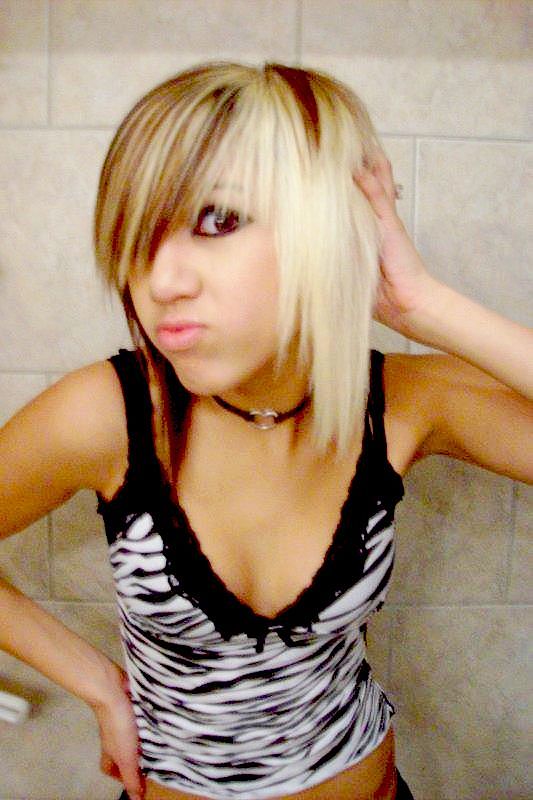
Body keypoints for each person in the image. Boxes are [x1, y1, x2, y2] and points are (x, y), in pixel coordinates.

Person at [0, 61, 531, 800]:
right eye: (136, 235)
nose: (160, 282)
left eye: (218, 220)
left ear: (325, 225)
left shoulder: (402, 404)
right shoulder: (108, 417)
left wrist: (421, 305)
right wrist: (97, 684)